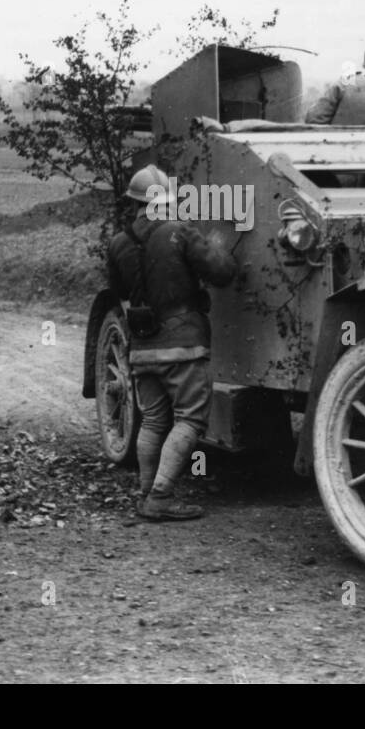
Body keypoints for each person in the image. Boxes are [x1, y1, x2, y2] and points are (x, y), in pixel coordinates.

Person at [107, 165, 238, 521]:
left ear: (133, 202)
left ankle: (146, 494)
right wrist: (219, 247)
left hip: (140, 348)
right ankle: (161, 496)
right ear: (168, 200)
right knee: (191, 420)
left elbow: (118, 293)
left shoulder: (118, 243)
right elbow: (223, 273)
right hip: (184, 345)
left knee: (152, 420)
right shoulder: (180, 232)